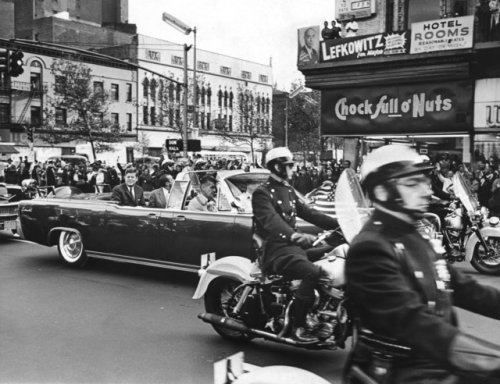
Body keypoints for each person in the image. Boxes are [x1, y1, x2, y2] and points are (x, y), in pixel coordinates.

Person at [344, 145, 500, 383]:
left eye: (424, 182)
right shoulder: (371, 248)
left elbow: (466, 289)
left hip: (434, 363)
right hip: (402, 371)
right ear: (383, 191)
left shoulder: (415, 235)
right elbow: (412, 320)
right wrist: (487, 360)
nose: (426, 190)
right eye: (412, 184)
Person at [252, 147, 338, 343]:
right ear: (277, 167)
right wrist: (295, 236)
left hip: (293, 249)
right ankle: (299, 326)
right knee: (312, 272)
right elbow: (271, 221)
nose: (294, 169)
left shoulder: (289, 190)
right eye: (289, 166)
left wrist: (341, 224)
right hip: (275, 250)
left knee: (334, 254)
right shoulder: (262, 193)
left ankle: (322, 311)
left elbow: (310, 214)